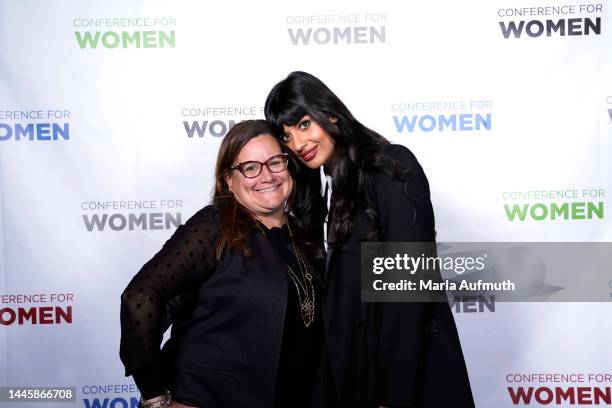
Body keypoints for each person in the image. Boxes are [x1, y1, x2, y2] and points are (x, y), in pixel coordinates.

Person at [265, 72, 475, 408]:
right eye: (287, 136)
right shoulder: (324, 190)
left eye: (303, 124)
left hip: (402, 380)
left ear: (329, 113)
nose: (298, 143)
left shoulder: (387, 166)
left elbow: (408, 290)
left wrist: (390, 395)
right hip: (352, 376)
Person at [120, 120, 324, 408]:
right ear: (229, 179)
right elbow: (139, 297)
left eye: (275, 162)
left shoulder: (302, 235)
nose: (266, 176)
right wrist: (156, 397)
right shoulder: (215, 226)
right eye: (251, 167)